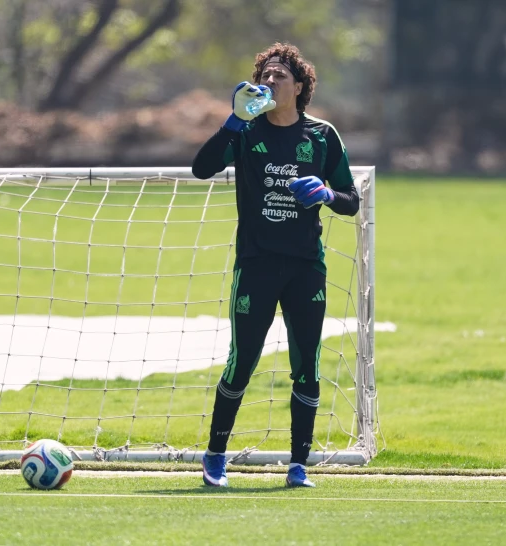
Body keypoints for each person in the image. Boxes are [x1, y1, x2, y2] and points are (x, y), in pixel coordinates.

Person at [191, 42, 359, 488]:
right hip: (257, 263)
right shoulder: (246, 132)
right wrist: (233, 121)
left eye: (279, 75)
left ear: (299, 86)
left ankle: (298, 465)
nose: (268, 80)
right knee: (242, 360)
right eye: (264, 74)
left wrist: (325, 195)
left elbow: (351, 201)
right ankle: (215, 456)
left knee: (307, 363)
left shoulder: (322, 137)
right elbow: (201, 169)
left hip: (306, 268)